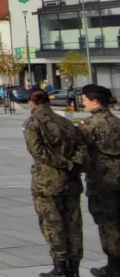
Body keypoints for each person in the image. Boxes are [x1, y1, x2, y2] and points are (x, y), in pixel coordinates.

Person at [24, 89, 87, 277]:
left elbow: (38, 152)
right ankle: (73, 269)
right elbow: (81, 148)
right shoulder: (66, 122)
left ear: (31, 102)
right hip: (71, 180)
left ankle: (60, 269)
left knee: (52, 223)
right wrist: (73, 163)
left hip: (47, 182)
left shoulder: (33, 123)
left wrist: (62, 163)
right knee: (73, 223)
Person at [78, 84, 120, 277]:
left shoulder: (89, 125)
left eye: (85, 98)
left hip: (102, 181)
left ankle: (113, 267)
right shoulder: (117, 122)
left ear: (94, 100)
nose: (83, 102)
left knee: (107, 224)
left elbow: (80, 152)